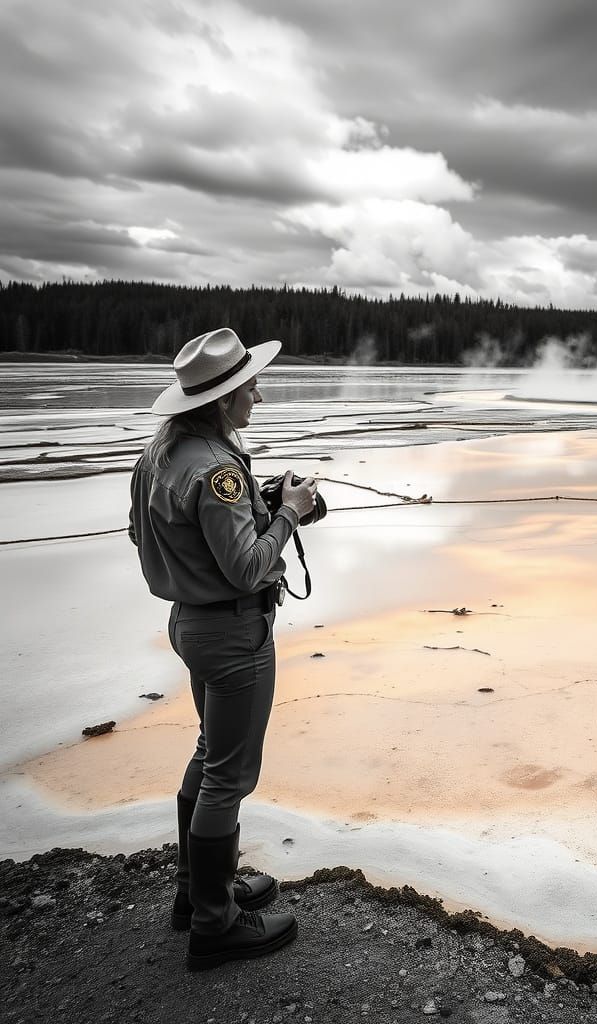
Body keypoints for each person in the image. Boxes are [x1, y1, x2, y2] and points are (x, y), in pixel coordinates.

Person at [128, 327, 318, 971]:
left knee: (211, 754)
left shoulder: (162, 454)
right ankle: (216, 924)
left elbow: (153, 533)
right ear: (223, 399)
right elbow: (244, 569)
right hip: (233, 632)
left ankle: (195, 893)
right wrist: (289, 512)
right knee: (229, 776)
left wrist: (260, 508)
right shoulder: (217, 470)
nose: (258, 395)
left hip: (191, 624)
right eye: (250, 386)